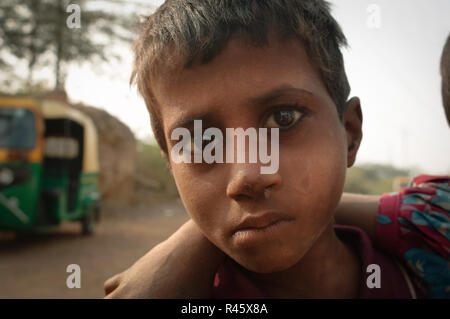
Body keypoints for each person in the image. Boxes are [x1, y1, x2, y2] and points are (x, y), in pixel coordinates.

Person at [104, 1, 450, 299]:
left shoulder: (427, 268)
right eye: (199, 141)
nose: (247, 176)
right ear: (170, 163)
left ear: (350, 133)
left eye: (284, 119)